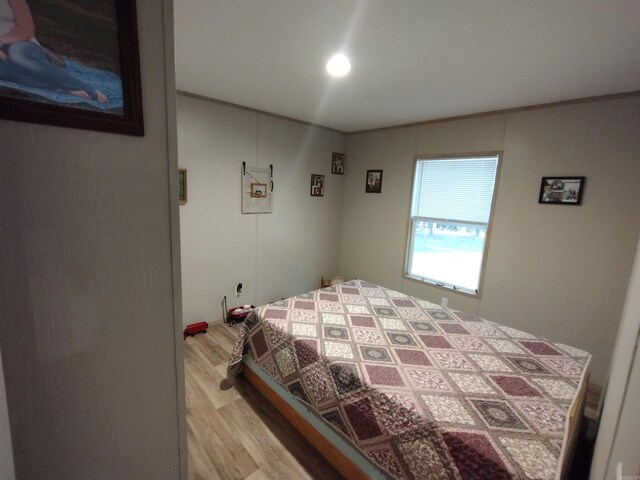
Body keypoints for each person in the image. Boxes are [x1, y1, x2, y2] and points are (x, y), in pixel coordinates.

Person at [0, 0, 107, 103]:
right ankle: (62, 89)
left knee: (17, 56)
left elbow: (26, 29)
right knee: (4, 71)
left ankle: (87, 88)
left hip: (21, 43)